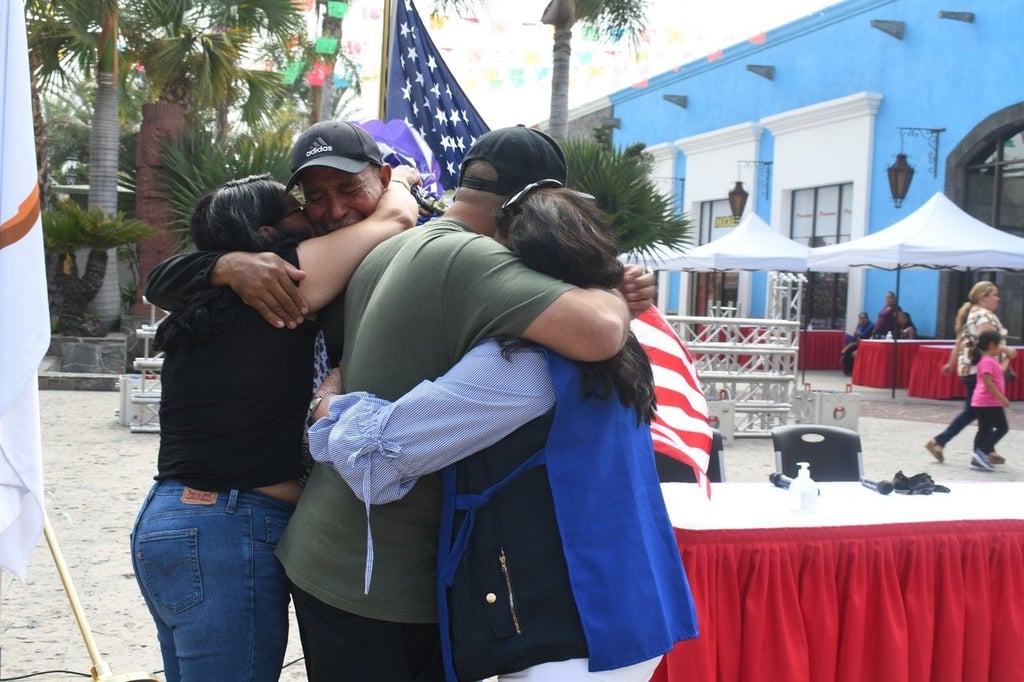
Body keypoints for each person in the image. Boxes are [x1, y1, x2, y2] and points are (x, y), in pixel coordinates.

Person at [273, 126, 652, 682]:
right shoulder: (473, 261)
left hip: (337, 554)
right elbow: (598, 332)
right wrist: (610, 290)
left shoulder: (399, 245)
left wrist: (325, 401)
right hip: (385, 579)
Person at [129, 174, 418, 682]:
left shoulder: (211, 302)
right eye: (298, 212)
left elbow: (166, 276)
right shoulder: (283, 281)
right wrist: (403, 176)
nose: (314, 219)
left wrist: (220, 265)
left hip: (181, 520)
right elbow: (395, 217)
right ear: (266, 235)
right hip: (226, 527)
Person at [926, 281, 1016, 465]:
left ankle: (985, 450)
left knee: (983, 412)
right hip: (980, 371)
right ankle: (940, 442)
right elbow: (988, 344)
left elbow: (959, 342)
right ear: (984, 297)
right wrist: (1007, 352)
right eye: (995, 295)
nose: (998, 299)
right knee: (976, 410)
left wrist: (951, 363)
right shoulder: (984, 316)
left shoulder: (971, 314)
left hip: (968, 367)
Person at [968, 329, 1010, 472]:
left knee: (984, 429)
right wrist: (1001, 398)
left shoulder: (989, 361)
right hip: (988, 402)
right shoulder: (986, 361)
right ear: (992, 345)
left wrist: (1008, 358)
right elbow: (988, 382)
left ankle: (977, 458)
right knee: (1002, 427)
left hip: (982, 402)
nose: (1000, 348)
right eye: (999, 345)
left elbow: (1000, 370)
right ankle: (982, 453)